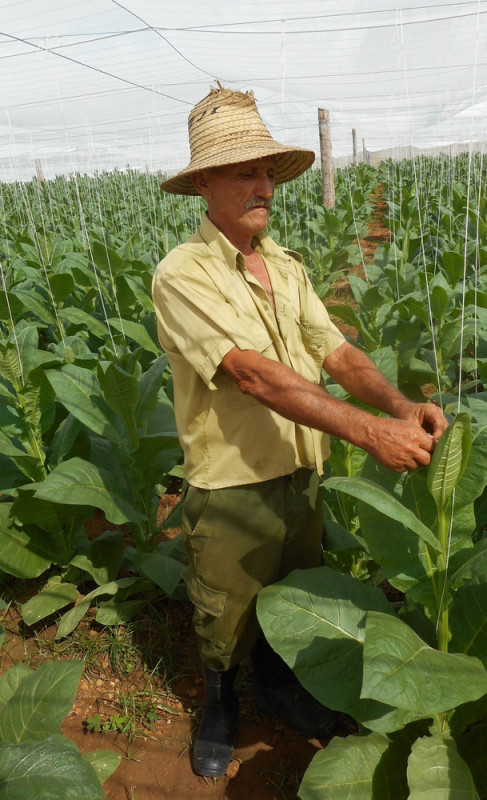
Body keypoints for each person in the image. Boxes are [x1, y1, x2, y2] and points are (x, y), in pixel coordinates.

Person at [152, 87, 448, 778]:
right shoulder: (181, 274)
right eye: (243, 173)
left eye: (267, 172)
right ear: (204, 183)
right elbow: (252, 375)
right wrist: (367, 433)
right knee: (223, 612)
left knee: (291, 595)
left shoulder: (284, 265)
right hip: (230, 481)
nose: (263, 187)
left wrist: (399, 407)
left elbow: (337, 353)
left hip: (299, 471)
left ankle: (279, 683)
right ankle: (220, 702)